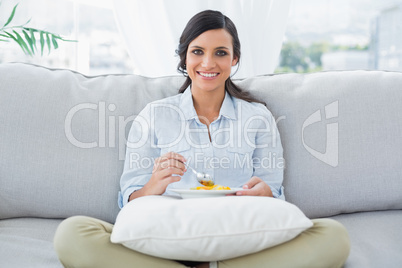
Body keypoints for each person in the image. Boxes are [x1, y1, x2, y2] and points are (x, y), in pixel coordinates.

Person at [54, 10, 350, 268]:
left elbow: (272, 191)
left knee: (333, 237)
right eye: (198, 51)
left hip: (236, 234)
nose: (208, 63)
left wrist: (265, 193)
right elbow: (130, 201)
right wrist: (155, 183)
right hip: (166, 239)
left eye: (220, 52)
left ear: (234, 58)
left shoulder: (258, 117)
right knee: (73, 234)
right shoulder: (154, 115)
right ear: (184, 56)